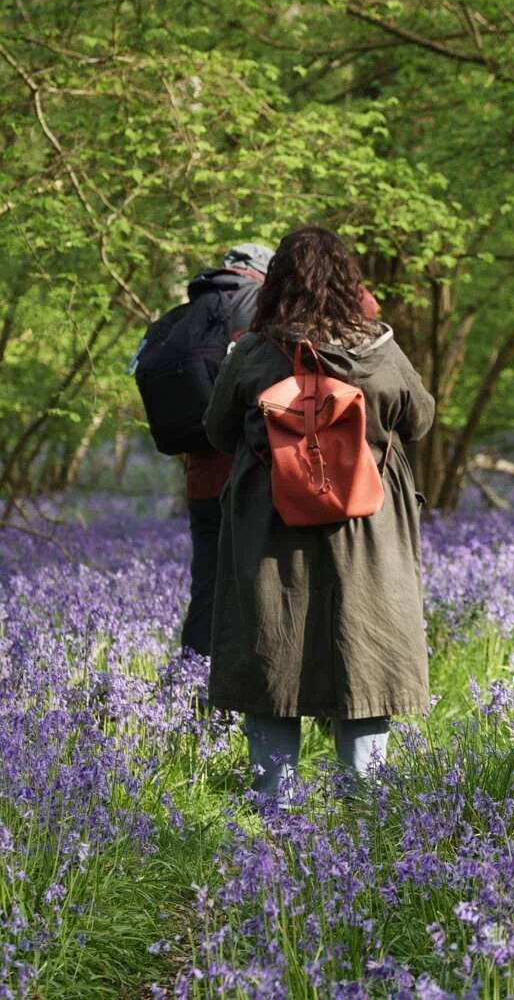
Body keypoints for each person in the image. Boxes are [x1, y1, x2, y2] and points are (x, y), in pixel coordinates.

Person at [203, 226, 435, 798]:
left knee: (271, 654)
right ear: (348, 281)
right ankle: (367, 809)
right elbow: (422, 418)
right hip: (366, 533)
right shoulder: (379, 350)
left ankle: (273, 811)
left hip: (269, 533)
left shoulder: (255, 353)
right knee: (365, 651)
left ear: (277, 282)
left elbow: (215, 430)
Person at [131, 243, 273, 657]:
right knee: (260, 592)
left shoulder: (188, 313)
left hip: (200, 479)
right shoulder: (261, 306)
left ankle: (195, 698)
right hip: (252, 476)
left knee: (208, 590)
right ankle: (255, 702)